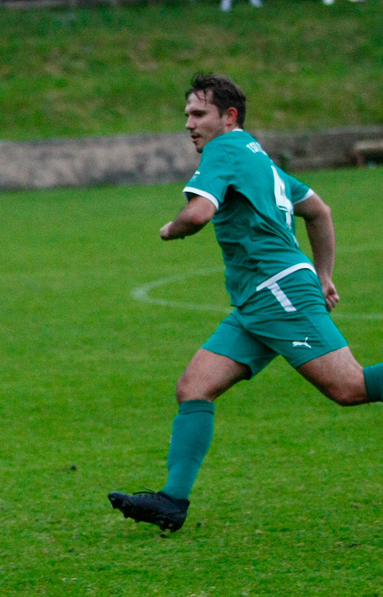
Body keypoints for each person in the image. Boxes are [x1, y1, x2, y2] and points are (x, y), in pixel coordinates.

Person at [108, 73, 383, 532]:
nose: (190, 125)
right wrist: (324, 273)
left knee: (349, 388)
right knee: (194, 386)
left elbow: (198, 214)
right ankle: (172, 501)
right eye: (187, 116)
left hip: (276, 292)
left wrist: (170, 228)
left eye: (199, 114)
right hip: (258, 301)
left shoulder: (226, 150)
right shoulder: (259, 157)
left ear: (228, 116)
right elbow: (319, 210)